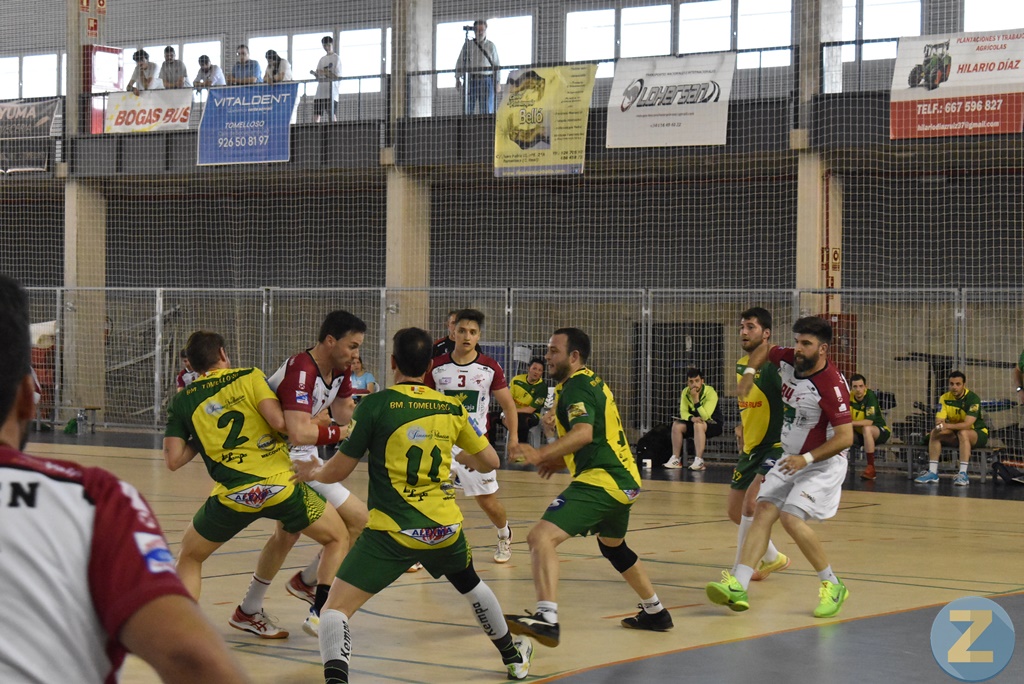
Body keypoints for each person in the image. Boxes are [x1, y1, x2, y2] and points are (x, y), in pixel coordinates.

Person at [0, 275, 251, 684]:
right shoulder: (96, 499)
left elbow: (173, 459)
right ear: (29, 399)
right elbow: (191, 658)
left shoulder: (187, 397)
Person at [292, 327, 534, 683]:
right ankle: (514, 659)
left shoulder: (375, 405)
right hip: (444, 530)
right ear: (430, 366)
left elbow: (338, 470)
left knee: (334, 611)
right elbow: (490, 462)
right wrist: (464, 455)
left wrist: (316, 470)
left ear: (392, 363)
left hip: (392, 533)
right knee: (472, 585)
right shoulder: (451, 407)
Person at [163, 330, 348, 640]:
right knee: (338, 538)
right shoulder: (249, 376)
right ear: (223, 354)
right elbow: (280, 424)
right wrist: (320, 425)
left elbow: (174, 460)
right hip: (280, 487)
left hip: (232, 495)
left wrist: (201, 433)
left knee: (191, 556)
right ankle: (320, 616)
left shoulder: (183, 400)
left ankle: (184, 633)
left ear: (192, 366)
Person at [506, 328, 673, 647]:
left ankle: (547, 619)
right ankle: (656, 612)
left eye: (554, 351)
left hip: (603, 479)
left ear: (574, 357)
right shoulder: (587, 381)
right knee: (613, 547)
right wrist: (558, 459)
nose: (546, 357)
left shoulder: (577, 386)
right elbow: (595, 434)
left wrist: (540, 452)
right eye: (547, 350)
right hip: (625, 480)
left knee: (540, 537)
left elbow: (583, 433)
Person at [706, 316, 853, 618]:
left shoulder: (832, 385)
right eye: (798, 341)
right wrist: (749, 373)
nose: (797, 348)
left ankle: (832, 584)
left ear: (823, 349)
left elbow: (845, 438)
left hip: (822, 463)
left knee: (790, 518)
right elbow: (765, 350)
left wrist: (807, 459)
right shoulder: (790, 358)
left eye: (806, 344)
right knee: (761, 510)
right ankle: (739, 584)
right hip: (791, 457)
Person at [234, 311, 370, 638]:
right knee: (355, 523)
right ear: (329, 341)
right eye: (352, 346)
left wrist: (362, 408)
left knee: (286, 535)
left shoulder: (338, 371)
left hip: (298, 459)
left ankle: (250, 609)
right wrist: (338, 433)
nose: (356, 354)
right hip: (279, 462)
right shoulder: (302, 370)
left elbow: (341, 415)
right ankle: (316, 602)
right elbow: (299, 433)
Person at [425, 309, 518, 563]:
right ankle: (421, 549)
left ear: (479, 336)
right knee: (430, 496)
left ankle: (504, 534)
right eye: (462, 330)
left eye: (473, 332)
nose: (467, 336)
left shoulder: (489, 367)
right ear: (453, 332)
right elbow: (423, 400)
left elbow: (509, 405)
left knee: (487, 501)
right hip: (441, 443)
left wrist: (515, 438)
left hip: (475, 446)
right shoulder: (436, 367)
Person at [728, 307, 789, 582]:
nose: (743, 331)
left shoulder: (776, 368)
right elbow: (751, 405)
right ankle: (773, 557)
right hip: (751, 448)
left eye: (750, 327)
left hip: (775, 446)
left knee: (751, 505)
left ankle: (740, 570)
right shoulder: (742, 365)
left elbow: (790, 403)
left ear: (766, 333)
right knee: (734, 511)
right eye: (742, 326)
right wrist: (742, 427)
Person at [915, 371, 988, 486]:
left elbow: (967, 424)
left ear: (964, 384)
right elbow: (939, 422)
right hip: (956, 432)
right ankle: (932, 473)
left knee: (963, 433)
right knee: (935, 432)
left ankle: (963, 474)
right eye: (952, 384)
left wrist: (947, 426)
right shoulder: (944, 398)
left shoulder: (973, 399)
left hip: (977, 433)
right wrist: (939, 428)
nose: (954, 387)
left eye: (958, 384)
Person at [664, 368, 724, 471]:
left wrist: (696, 400)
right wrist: (691, 418)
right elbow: (683, 412)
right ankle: (676, 459)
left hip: (713, 423)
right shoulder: (685, 392)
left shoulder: (710, 392)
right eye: (691, 382)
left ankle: (699, 460)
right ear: (687, 383)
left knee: (699, 424)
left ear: (702, 381)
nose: (694, 384)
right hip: (694, 421)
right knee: (677, 425)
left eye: (697, 381)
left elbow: (705, 416)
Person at [849, 373, 891, 481]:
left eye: (861, 386)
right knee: (836, 430)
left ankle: (871, 467)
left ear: (865, 387)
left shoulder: (870, 396)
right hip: (860, 434)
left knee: (866, 428)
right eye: (855, 387)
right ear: (851, 388)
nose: (858, 389)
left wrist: (849, 423)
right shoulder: (848, 397)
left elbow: (868, 422)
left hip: (879, 431)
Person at [455, 19, 500, 115]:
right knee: (468, 109)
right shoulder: (468, 45)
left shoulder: (491, 46)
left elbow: (496, 65)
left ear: (485, 30)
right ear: (474, 31)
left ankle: (486, 128)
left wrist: (497, 82)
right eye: (477, 30)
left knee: (486, 110)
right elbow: (460, 61)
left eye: (481, 30)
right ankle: (467, 128)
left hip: (486, 80)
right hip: (471, 80)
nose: (479, 33)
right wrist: (457, 78)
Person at [508, 357, 547, 444]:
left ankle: (521, 451)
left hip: (532, 415)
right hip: (513, 413)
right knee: (492, 418)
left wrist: (512, 411)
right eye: (534, 368)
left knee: (522, 420)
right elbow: (508, 399)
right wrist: (508, 411)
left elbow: (530, 410)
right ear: (528, 368)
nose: (536, 372)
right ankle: (491, 450)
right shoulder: (516, 380)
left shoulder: (542, 387)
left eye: (540, 370)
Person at [311, 35, 340, 123]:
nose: (326, 47)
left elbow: (337, 77)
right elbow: (318, 76)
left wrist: (325, 72)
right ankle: (315, 133)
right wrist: (315, 74)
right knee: (316, 115)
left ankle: (334, 132)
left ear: (332, 44)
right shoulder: (322, 59)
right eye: (324, 46)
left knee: (331, 115)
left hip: (331, 92)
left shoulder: (336, 58)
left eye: (328, 45)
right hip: (320, 92)